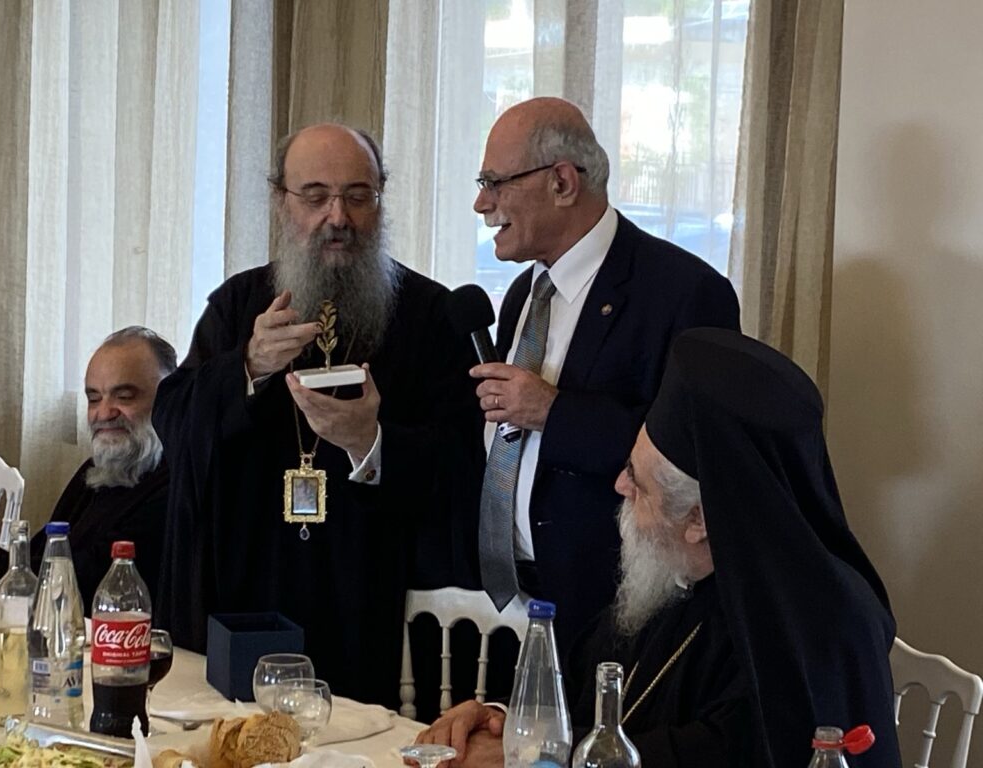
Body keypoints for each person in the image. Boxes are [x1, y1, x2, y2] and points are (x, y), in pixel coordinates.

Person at [416, 328, 901, 768]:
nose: (619, 486)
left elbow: (717, 755)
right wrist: (504, 720)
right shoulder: (674, 575)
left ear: (699, 520)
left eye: (638, 481)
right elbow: (578, 686)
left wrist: (535, 754)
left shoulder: (817, 627)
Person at [152, 124, 482, 709]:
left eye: (358, 195)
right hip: (248, 589)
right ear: (283, 202)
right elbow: (173, 421)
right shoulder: (238, 305)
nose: (339, 217)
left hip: (368, 593)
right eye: (316, 196)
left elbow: (463, 464)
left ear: (380, 200)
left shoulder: (431, 317)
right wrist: (248, 365)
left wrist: (371, 445)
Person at [472, 97, 740, 649]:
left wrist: (554, 412)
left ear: (562, 183)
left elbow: (697, 461)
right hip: (516, 604)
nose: (482, 203)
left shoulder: (685, 292)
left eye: (495, 183)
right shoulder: (524, 292)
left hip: (617, 613)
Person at [0, 326, 175, 603]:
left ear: (171, 398)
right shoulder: (96, 470)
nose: (104, 413)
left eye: (124, 397)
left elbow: (83, 582)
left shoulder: (176, 482)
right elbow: (45, 554)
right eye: (94, 398)